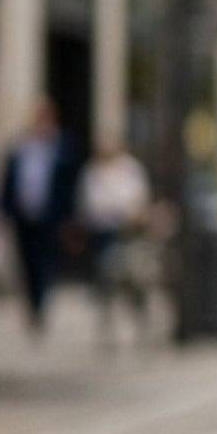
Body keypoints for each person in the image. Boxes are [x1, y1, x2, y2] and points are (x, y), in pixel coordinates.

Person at [0, 97, 80, 333]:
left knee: (44, 261)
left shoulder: (62, 146)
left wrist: (68, 216)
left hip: (49, 216)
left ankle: (40, 304)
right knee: (26, 262)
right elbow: (10, 180)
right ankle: (32, 304)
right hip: (23, 214)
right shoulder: (22, 146)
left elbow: (69, 184)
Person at [78, 137, 153, 335]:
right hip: (103, 234)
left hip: (130, 234)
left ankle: (139, 316)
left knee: (135, 278)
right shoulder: (93, 172)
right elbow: (91, 205)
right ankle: (106, 325)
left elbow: (139, 200)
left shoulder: (130, 169)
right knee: (106, 280)